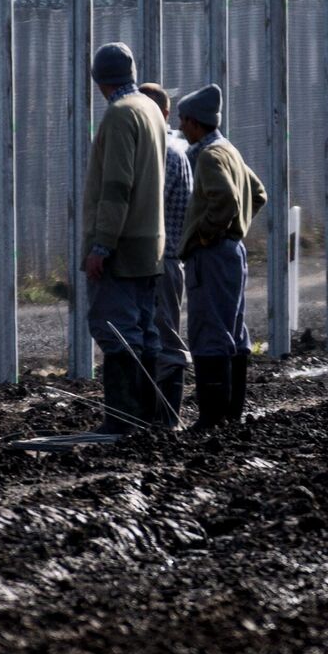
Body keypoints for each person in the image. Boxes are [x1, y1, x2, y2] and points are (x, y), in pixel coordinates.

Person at [81, 42, 166, 434]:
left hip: (124, 244)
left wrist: (102, 245)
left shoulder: (119, 115)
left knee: (116, 330)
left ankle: (122, 419)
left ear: (99, 80)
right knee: (145, 331)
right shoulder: (150, 108)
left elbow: (116, 186)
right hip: (152, 243)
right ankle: (147, 417)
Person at [175, 84, 266, 429]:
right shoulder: (229, 149)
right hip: (232, 252)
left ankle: (212, 416)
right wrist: (238, 227)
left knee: (209, 330)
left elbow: (225, 199)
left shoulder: (209, 156)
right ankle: (231, 412)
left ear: (196, 123)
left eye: (184, 121)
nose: (181, 127)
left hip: (211, 254)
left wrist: (206, 234)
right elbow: (257, 193)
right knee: (233, 331)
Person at [139, 82, 192, 426]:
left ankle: (166, 419)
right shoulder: (176, 148)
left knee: (165, 341)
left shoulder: (164, 153)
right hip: (167, 260)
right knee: (158, 337)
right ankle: (157, 418)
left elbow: (146, 209)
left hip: (160, 261)